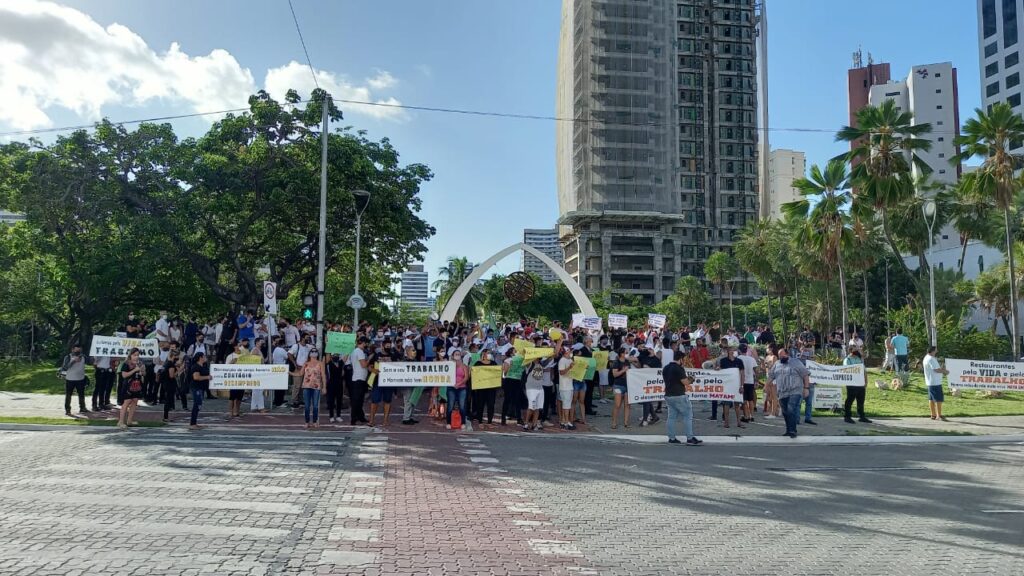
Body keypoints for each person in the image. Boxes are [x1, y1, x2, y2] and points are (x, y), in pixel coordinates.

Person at [767, 347, 810, 438]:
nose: (780, 357)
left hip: (795, 390)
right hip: (782, 392)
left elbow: (805, 375)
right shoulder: (777, 364)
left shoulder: (796, 362)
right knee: (785, 412)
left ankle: (793, 431)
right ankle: (788, 430)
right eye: (779, 356)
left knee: (791, 409)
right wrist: (766, 386)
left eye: (782, 355)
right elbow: (771, 376)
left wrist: (806, 388)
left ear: (787, 354)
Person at [664, 350, 702, 446]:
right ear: (680, 359)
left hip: (668, 395)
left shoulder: (666, 368)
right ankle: (689, 438)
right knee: (687, 416)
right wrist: (691, 379)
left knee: (671, 417)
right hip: (679, 395)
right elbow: (685, 382)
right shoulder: (679, 369)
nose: (684, 361)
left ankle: (671, 438)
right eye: (683, 359)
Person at [718, 346, 745, 429]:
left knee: (737, 404)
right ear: (728, 351)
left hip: (737, 385)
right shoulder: (723, 361)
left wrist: (742, 385)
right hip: (727, 385)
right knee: (726, 404)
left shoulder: (739, 361)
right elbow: (721, 372)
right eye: (732, 350)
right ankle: (726, 422)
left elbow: (742, 374)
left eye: (734, 350)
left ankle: (739, 422)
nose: (733, 352)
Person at [117, 349, 146, 430]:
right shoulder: (126, 364)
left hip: (136, 385)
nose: (136, 357)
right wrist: (134, 370)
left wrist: (142, 371)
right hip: (128, 385)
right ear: (130, 355)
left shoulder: (140, 363)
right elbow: (124, 375)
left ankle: (129, 420)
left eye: (137, 355)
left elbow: (144, 374)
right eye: (134, 355)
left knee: (135, 401)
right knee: (126, 402)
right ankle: (121, 421)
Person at [842, 349, 872, 424]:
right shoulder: (847, 360)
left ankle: (861, 416)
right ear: (852, 353)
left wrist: (866, 381)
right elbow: (846, 370)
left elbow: (864, 371)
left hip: (860, 383)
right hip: (852, 383)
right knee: (850, 400)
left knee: (861, 400)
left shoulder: (859, 359)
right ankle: (847, 417)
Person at [61, 344, 89, 417]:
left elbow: (90, 362)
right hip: (70, 379)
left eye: (79, 351)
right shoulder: (68, 357)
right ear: (72, 350)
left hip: (80, 379)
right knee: (68, 395)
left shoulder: (83, 357)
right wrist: (73, 361)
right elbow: (65, 367)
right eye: (76, 350)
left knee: (81, 395)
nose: (78, 352)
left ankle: (82, 408)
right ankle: (67, 410)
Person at [923, 345, 949, 421]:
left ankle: (933, 415)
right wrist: (945, 371)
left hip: (930, 382)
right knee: (939, 399)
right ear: (933, 351)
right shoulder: (931, 359)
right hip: (935, 382)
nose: (937, 351)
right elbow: (936, 370)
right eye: (936, 350)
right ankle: (939, 415)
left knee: (931, 399)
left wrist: (941, 369)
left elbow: (935, 369)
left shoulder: (926, 358)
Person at [473, 349, 499, 424]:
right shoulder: (478, 363)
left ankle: (489, 421)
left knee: (491, 404)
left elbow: (497, 373)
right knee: (480, 404)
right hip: (481, 388)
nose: (489, 354)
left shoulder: (494, 363)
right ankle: (480, 421)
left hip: (491, 388)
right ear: (483, 354)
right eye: (488, 353)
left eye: (490, 353)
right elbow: (474, 373)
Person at [349, 337, 371, 426]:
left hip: (359, 378)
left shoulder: (355, 351)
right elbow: (363, 364)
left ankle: (360, 416)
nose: (366, 345)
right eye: (366, 343)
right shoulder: (359, 352)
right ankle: (354, 418)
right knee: (357, 400)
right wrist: (369, 358)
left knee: (359, 399)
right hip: (359, 379)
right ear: (363, 343)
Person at [301, 348, 325, 429]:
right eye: (312, 351)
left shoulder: (320, 363)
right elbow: (300, 373)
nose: (314, 353)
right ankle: (307, 422)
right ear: (310, 353)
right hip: (306, 386)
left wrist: (324, 386)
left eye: (315, 351)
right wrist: (289, 372)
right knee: (307, 406)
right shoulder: (306, 363)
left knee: (315, 406)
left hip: (316, 386)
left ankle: (314, 422)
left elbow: (323, 376)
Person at [447, 349, 470, 430]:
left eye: (458, 354)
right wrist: (452, 384)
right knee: (450, 405)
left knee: (462, 406)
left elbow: (466, 377)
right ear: (453, 356)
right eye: (456, 354)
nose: (457, 355)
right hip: (451, 387)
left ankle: (463, 422)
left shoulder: (464, 366)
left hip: (462, 388)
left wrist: (459, 384)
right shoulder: (449, 365)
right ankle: (449, 422)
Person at [402, 345, 424, 426]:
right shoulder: (404, 362)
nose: (414, 352)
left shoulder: (416, 361)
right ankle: (406, 418)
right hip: (406, 384)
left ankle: (410, 416)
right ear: (408, 352)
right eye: (412, 350)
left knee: (413, 400)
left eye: (414, 350)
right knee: (408, 401)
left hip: (415, 383)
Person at [189, 352, 211, 430]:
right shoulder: (195, 367)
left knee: (199, 404)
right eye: (204, 356)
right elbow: (196, 377)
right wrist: (207, 377)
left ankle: (194, 423)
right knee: (197, 404)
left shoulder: (204, 366)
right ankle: (192, 423)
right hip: (196, 387)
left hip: (201, 388)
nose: (205, 357)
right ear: (200, 358)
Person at [609, 347, 631, 430]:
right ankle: (614, 422)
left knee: (627, 405)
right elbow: (614, 375)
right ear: (621, 354)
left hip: (627, 385)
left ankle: (626, 422)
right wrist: (623, 370)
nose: (626, 354)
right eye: (625, 352)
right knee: (617, 405)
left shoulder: (627, 362)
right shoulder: (616, 362)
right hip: (618, 385)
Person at [737, 342, 758, 423]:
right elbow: (756, 371)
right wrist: (756, 380)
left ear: (739, 350)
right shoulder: (751, 359)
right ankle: (751, 416)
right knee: (751, 400)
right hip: (750, 381)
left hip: (742, 381)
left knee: (744, 400)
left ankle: (746, 416)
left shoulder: (738, 358)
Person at [557, 345, 576, 430]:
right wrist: (569, 367)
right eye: (569, 351)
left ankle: (565, 421)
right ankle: (565, 422)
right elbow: (561, 372)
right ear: (565, 352)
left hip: (569, 385)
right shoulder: (562, 361)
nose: (571, 352)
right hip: (564, 386)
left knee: (568, 404)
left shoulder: (570, 360)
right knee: (566, 405)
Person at [160, 349, 182, 422]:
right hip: (169, 383)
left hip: (165, 383)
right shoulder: (171, 364)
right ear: (174, 356)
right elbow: (171, 375)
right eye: (177, 356)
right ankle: (165, 417)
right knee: (168, 400)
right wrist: (178, 371)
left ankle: (166, 416)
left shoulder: (166, 363)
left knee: (168, 399)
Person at [325, 352, 346, 423]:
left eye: (337, 355)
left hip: (339, 384)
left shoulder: (341, 363)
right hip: (331, 384)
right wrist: (328, 344)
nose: (335, 356)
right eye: (334, 355)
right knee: (331, 401)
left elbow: (346, 356)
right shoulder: (329, 363)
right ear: (331, 357)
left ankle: (338, 416)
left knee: (339, 400)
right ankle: (331, 416)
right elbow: (327, 354)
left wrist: (350, 346)